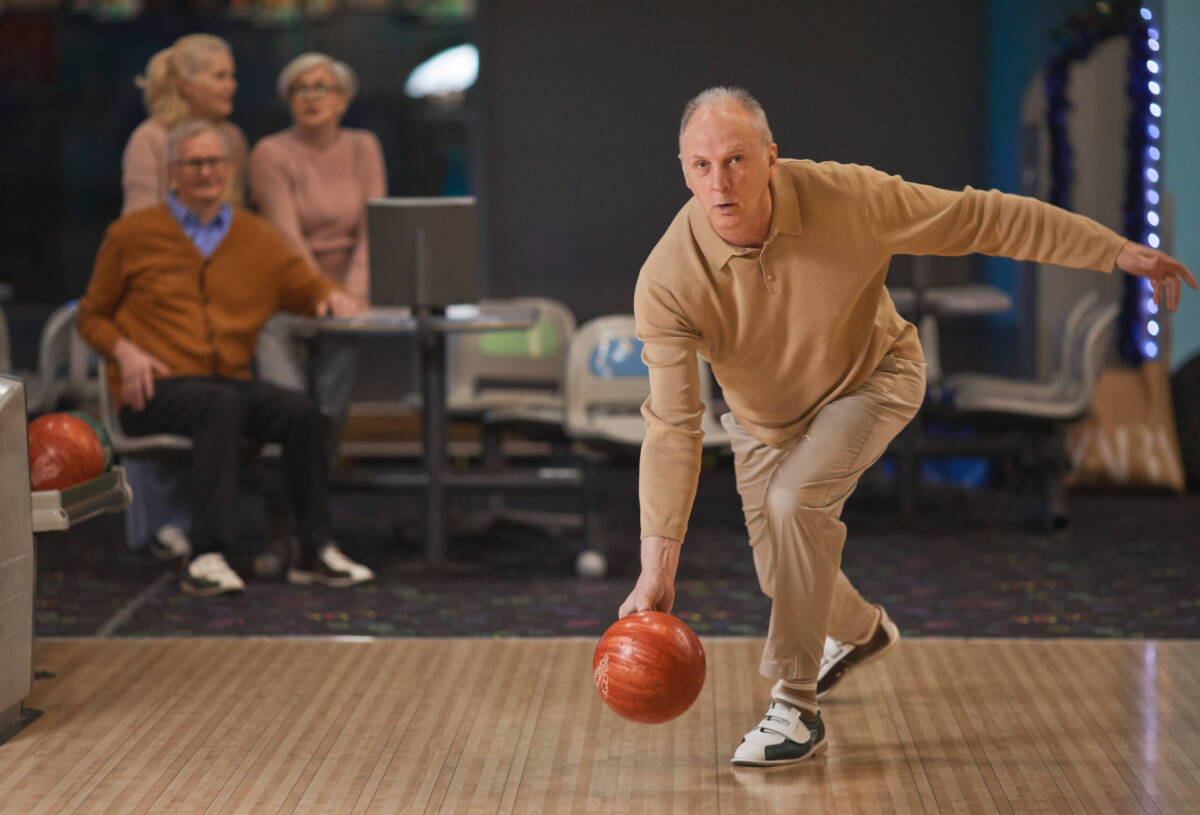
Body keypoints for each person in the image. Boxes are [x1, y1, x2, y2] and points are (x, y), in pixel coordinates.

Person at [619, 87, 1195, 767]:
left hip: (874, 378)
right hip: (762, 423)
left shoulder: (850, 199)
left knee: (793, 505)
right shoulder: (666, 280)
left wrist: (1113, 250)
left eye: (738, 159)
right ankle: (862, 633)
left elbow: (981, 218)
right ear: (684, 171)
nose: (722, 182)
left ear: (771, 158)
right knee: (786, 571)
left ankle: (795, 707)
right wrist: (656, 570)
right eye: (704, 164)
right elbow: (673, 427)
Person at [78, 120, 377, 596]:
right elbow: (91, 316)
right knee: (219, 405)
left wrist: (333, 297)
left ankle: (313, 548)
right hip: (154, 387)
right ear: (172, 173)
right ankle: (206, 554)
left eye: (215, 162)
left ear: (230, 171)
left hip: (225, 382)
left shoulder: (256, 238)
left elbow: (305, 288)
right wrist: (124, 350)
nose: (206, 172)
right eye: (194, 163)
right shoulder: (132, 235)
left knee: (300, 412)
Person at [249, 52, 386, 434]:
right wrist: (323, 292)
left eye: (321, 87)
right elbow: (286, 234)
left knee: (330, 413)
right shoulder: (270, 152)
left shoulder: (364, 147)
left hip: (345, 301)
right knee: (289, 412)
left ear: (342, 99)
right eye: (300, 89)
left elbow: (373, 229)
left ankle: (317, 493)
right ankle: (278, 492)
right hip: (286, 298)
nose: (311, 96)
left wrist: (352, 295)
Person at [122, 33, 249, 215]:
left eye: (232, 76)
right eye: (220, 77)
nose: (232, 85)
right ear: (186, 84)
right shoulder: (149, 138)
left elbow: (240, 217)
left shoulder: (233, 136)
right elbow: (138, 224)